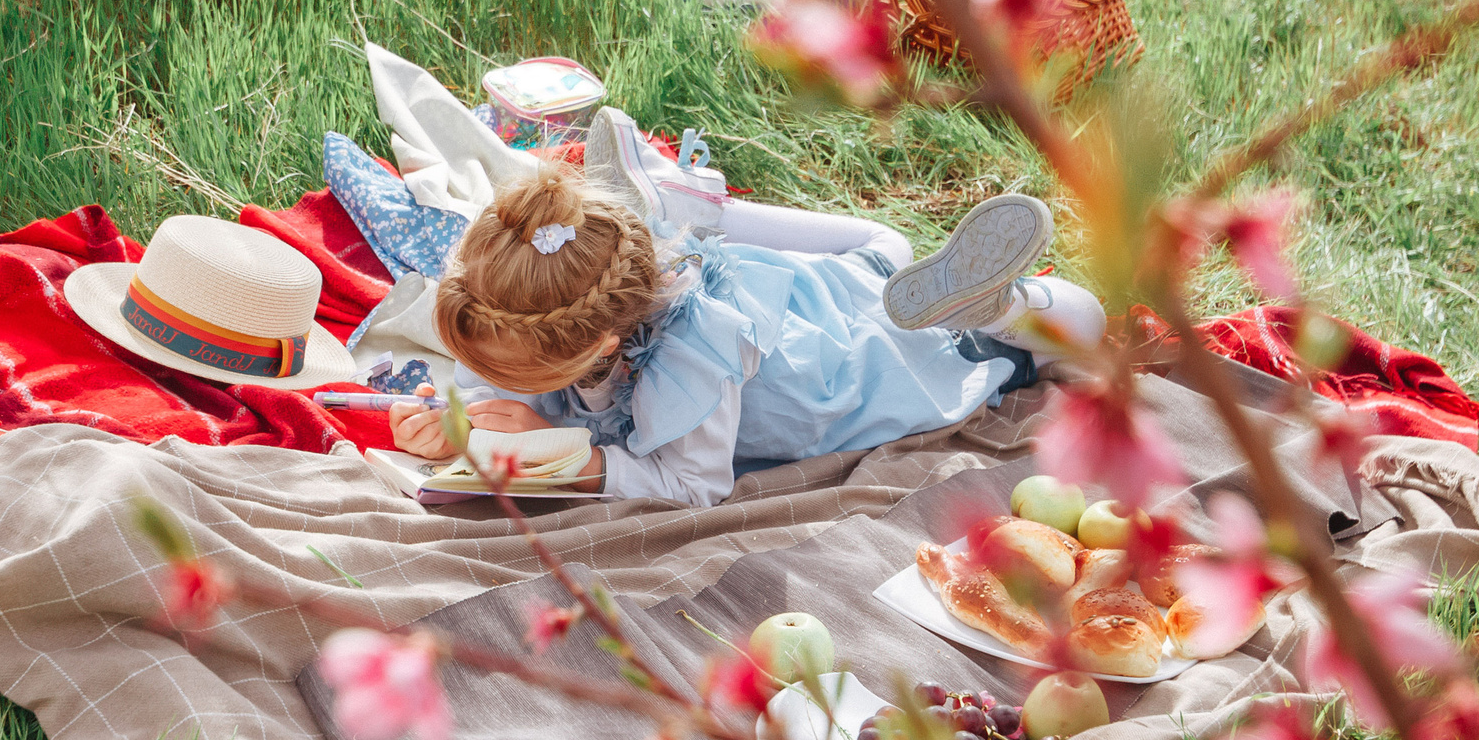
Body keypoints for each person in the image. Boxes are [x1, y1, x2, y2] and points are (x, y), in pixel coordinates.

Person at [387, 114, 1105, 506]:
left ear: (598, 347)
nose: (490, 380)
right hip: (815, 286)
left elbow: (694, 484)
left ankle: (995, 304)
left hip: (853, 365)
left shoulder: (690, 363)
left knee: (1066, 334)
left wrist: (572, 466)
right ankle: (685, 207)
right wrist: (453, 411)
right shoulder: (564, 296)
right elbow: (505, 371)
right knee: (878, 246)